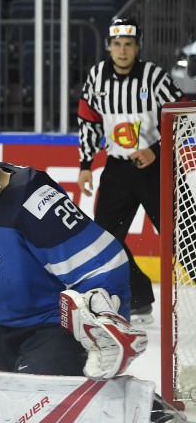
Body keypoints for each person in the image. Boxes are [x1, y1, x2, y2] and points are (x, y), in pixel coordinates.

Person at [0, 140, 181, 423]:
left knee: (40, 402)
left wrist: (105, 316)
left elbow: (106, 260)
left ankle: (153, 415)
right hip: (8, 325)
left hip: (55, 322)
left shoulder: (31, 201)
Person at [76, 18, 187, 324]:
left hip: (156, 169)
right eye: (117, 45)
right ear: (109, 47)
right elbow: (88, 119)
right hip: (117, 171)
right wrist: (86, 164)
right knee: (105, 241)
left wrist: (156, 150)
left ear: (138, 47)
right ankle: (139, 299)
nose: (122, 51)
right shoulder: (96, 77)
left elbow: (182, 117)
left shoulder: (154, 78)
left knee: (184, 235)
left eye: (128, 45)